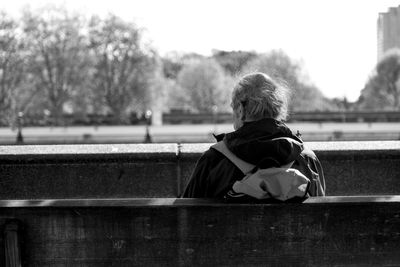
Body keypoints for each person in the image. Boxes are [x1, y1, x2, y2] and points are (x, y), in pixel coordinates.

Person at [182, 72, 325, 199]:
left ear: (240, 110)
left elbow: (185, 218)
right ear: (279, 109)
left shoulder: (214, 160)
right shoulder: (306, 158)